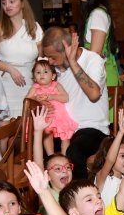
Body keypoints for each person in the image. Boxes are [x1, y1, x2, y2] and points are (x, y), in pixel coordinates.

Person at [41, 26, 108, 178]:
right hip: (64, 129)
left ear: (67, 50)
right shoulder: (55, 70)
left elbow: (94, 94)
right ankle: (51, 192)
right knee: (39, 145)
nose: (50, 62)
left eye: (53, 57)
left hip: (93, 129)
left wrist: (72, 62)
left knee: (74, 152)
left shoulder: (93, 60)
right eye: (47, 57)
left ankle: (81, 192)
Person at [0, 0, 43, 117]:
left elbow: (42, 57)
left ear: (22, 3)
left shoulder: (34, 27)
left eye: (11, 1)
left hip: (31, 82)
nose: (7, 6)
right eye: (4, 2)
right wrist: (9, 69)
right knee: (8, 122)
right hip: (6, 82)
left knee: (30, 122)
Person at [78, 0, 120, 88]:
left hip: (101, 79)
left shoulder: (97, 14)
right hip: (99, 77)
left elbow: (95, 54)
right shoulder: (97, 13)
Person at [26, 59, 75, 155]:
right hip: (45, 116)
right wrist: (36, 99)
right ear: (34, 78)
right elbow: (27, 100)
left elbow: (65, 98)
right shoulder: (35, 88)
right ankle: (50, 156)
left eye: (45, 72)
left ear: (53, 76)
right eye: (38, 73)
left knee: (65, 136)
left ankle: (65, 157)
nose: (42, 75)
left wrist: (51, 97)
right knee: (47, 134)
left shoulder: (57, 85)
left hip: (59, 116)